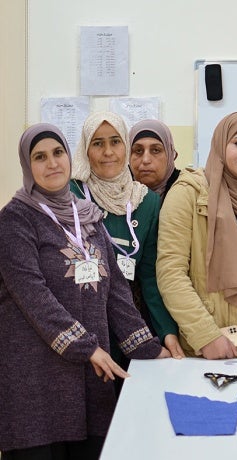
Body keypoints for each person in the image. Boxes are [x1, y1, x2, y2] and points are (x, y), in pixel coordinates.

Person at [0, 124, 169, 459]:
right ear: (27, 166)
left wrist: (150, 350)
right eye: (40, 157)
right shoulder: (15, 220)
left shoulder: (89, 218)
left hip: (89, 378)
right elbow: (34, 296)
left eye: (58, 153)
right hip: (35, 381)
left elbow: (117, 294)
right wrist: (88, 348)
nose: (52, 164)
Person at [71, 112, 183, 365]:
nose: (108, 152)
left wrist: (167, 332)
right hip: (79, 321)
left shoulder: (147, 202)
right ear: (85, 150)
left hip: (125, 323)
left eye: (115, 141)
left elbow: (150, 276)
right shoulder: (70, 193)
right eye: (98, 143)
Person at [157, 112, 237, 359]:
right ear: (221, 143)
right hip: (211, 338)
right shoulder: (188, 193)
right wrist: (206, 335)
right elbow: (171, 274)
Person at [129, 119, 181, 200]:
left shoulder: (187, 194)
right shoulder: (114, 193)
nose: (146, 160)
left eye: (156, 150)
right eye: (138, 150)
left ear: (169, 155)